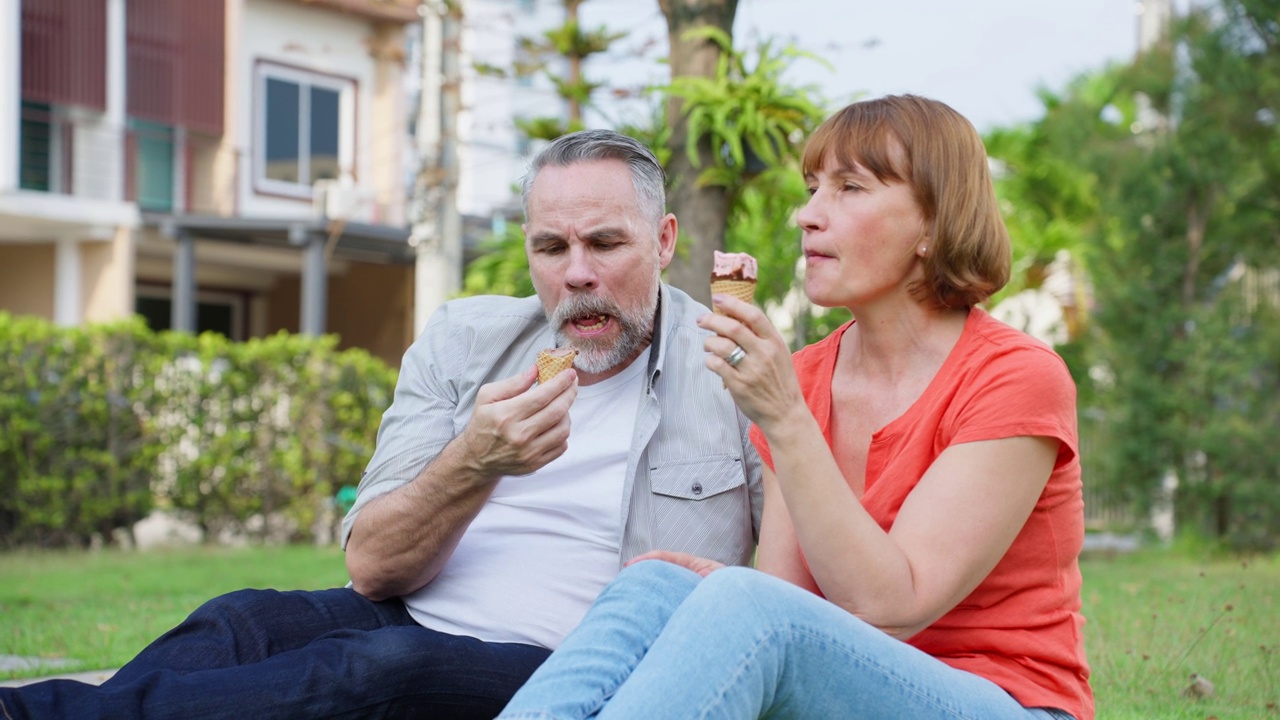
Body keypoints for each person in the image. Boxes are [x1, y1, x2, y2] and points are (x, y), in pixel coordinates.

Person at [0, 129, 763, 720]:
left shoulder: (737, 374)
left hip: (575, 663)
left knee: (374, 671)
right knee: (241, 621)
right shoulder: (465, 343)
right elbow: (371, 569)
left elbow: (797, 594)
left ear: (663, 241)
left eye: (605, 243)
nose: (577, 274)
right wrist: (476, 460)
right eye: (551, 247)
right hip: (406, 608)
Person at [496, 95, 1094, 720]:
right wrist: (718, 582)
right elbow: (788, 598)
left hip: (1006, 702)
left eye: (850, 188)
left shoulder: (1014, 376)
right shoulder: (805, 374)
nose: (807, 215)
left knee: (742, 603)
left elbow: (893, 607)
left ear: (932, 222)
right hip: (846, 690)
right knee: (652, 587)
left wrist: (783, 418)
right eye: (812, 188)